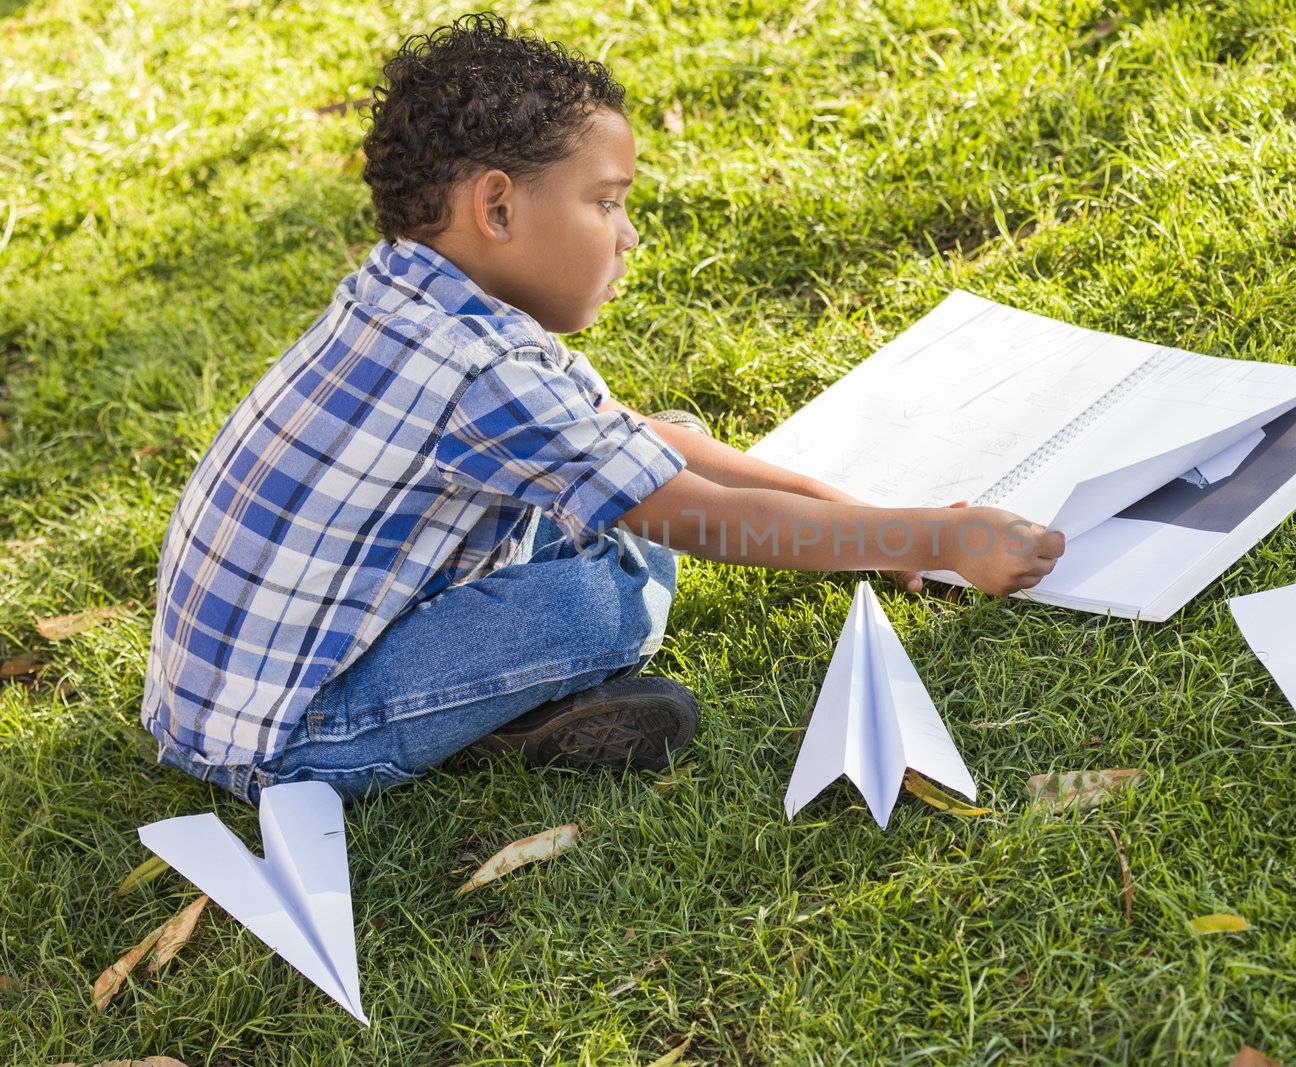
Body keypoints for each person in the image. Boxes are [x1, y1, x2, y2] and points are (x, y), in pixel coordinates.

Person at [141, 12, 1064, 806]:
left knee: (675, 449)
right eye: (606, 203)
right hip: (286, 741)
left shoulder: (409, 293)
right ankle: (492, 716)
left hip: (229, 688)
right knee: (603, 602)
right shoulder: (481, 368)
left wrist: (868, 524)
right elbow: (708, 518)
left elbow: (655, 445)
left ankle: (497, 711)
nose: (628, 236)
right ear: (497, 207)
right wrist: (934, 543)